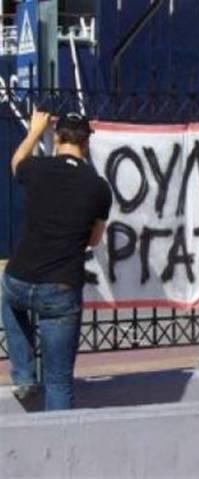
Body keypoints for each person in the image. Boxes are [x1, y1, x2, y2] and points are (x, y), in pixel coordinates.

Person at [1, 110, 112, 411]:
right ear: (86, 143)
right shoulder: (99, 187)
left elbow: (16, 163)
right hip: (61, 289)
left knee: (9, 300)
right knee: (59, 381)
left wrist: (35, 130)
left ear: (57, 138)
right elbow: (94, 240)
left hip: (19, 279)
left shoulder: (37, 169)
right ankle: (58, 438)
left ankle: (24, 375)